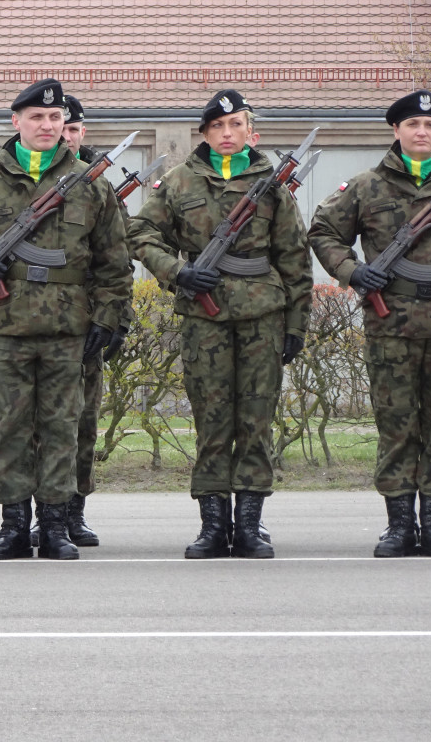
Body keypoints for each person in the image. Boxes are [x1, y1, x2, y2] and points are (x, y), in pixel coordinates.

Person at [0, 78, 132, 560]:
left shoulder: (90, 186)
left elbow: (114, 262)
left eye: (55, 118)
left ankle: (56, 524)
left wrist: (107, 316)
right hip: (7, 327)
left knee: (62, 427)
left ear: (65, 125)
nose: (46, 125)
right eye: (36, 117)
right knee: (10, 427)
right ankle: (13, 524)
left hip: (68, 330)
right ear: (15, 122)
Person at [128, 89, 312, 559]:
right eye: (217, 127)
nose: (227, 134)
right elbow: (140, 233)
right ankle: (213, 526)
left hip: (263, 317)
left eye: (236, 126)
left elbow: (294, 258)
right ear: (204, 133)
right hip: (203, 318)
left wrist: (296, 326)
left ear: (251, 131)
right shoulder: (179, 181)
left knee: (256, 421)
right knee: (211, 421)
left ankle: (249, 525)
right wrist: (176, 272)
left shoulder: (272, 184)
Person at [309, 89, 431, 558]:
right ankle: (399, 526)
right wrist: (352, 271)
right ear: (397, 131)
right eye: (412, 125)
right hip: (392, 330)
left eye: (430, 125)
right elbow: (323, 231)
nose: (421, 132)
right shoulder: (368, 186)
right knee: (396, 427)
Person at [56, 93, 132, 547]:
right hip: (42, 317)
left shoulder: (101, 184)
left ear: (82, 133)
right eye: (60, 127)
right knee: (34, 425)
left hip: (88, 321)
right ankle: (37, 511)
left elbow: (118, 261)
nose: (66, 135)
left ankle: (74, 510)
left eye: (72, 128)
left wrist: (118, 318)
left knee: (83, 421)